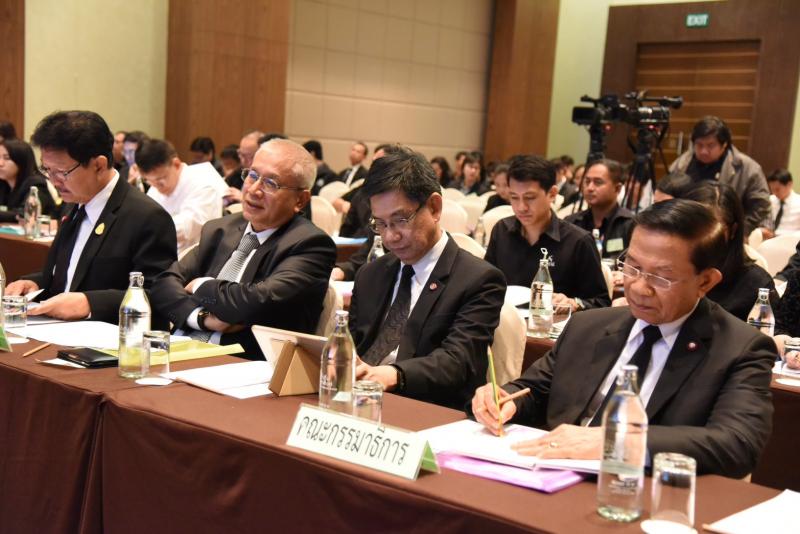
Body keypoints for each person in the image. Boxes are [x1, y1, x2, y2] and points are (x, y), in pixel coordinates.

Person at [471, 199, 775, 478]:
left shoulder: (739, 349)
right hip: (551, 475)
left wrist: (617, 441)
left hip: (645, 489)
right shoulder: (588, 326)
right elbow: (535, 390)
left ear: (705, 281)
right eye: (632, 267)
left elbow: (738, 444)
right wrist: (505, 398)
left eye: (661, 277)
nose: (639, 287)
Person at [349, 146, 506, 409]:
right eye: (380, 224)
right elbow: (353, 346)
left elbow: (458, 362)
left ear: (434, 207)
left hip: (428, 409)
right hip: (362, 404)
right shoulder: (370, 274)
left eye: (400, 220)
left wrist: (394, 375)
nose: (390, 237)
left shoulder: (479, 280)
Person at [151, 138, 336, 358]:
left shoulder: (311, 245)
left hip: (239, 363)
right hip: (178, 349)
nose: (254, 190)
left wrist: (202, 285)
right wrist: (202, 319)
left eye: (271, 183)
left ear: (300, 200)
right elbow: (164, 284)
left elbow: (255, 302)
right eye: (253, 176)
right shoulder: (219, 229)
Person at [5, 110, 177, 324]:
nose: (54, 181)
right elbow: (71, 276)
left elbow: (160, 297)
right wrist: (35, 284)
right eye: (47, 170)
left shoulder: (147, 217)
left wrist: (90, 303)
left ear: (99, 165)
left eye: (62, 172)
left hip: (111, 338)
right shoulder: (74, 204)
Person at [484, 154, 610, 311]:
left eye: (530, 198)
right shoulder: (501, 230)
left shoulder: (578, 241)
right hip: (506, 320)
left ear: (552, 194)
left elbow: (601, 303)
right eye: (514, 198)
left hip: (554, 323)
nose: (521, 207)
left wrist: (574, 303)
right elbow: (486, 285)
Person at [681, 181, 777, 321]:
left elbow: (765, 332)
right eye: (690, 227)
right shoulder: (668, 270)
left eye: (711, 230)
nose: (698, 237)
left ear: (733, 230)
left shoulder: (756, 284)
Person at [669, 115, 770, 233]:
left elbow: (761, 204)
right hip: (687, 230)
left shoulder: (748, 168)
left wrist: (742, 231)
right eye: (699, 145)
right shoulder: (681, 164)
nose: (704, 151)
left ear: (724, 144)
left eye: (710, 145)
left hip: (729, 232)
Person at [136, 139, 227, 254]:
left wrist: (147, 229)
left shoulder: (203, 184)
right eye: (149, 180)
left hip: (197, 258)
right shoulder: (155, 188)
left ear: (176, 164)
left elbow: (187, 227)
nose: (156, 186)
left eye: (161, 179)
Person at [565, 158, 635, 261]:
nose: (590, 188)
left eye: (598, 182)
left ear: (617, 188)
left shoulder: (630, 224)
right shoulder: (572, 222)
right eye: (587, 181)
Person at [0, 138, 56, 222]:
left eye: (7, 158)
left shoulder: (36, 184)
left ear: (21, 160)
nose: (0, 163)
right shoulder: (3, 182)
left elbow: (25, 214)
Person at [224, 130, 263, 205]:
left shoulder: (264, 178)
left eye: (249, 156)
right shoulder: (239, 171)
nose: (243, 160)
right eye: (241, 154)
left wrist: (243, 198)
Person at [762, 169, 800, 238]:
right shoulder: (770, 200)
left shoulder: (798, 203)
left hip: (790, 240)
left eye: (777, 189)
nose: (774, 193)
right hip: (770, 239)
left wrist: (779, 236)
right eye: (772, 189)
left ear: (789, 184)